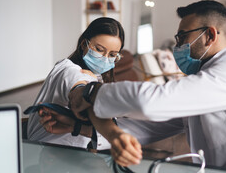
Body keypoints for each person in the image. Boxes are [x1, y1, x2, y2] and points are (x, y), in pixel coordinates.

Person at [68, 0, 226, 173]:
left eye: (182, 37)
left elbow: (151, 103)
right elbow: (147, 128)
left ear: (210, 35)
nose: (178, 45)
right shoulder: (204, 82)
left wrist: (91, 91)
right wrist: (79, 128)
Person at [27, 17, 142, 164]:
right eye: (99, 49)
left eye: (113, 55)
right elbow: (81, 92)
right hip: (53, 156)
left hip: (76, 156)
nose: (105, 58)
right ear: (84, 44)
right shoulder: (70, 71)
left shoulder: (94, 76)